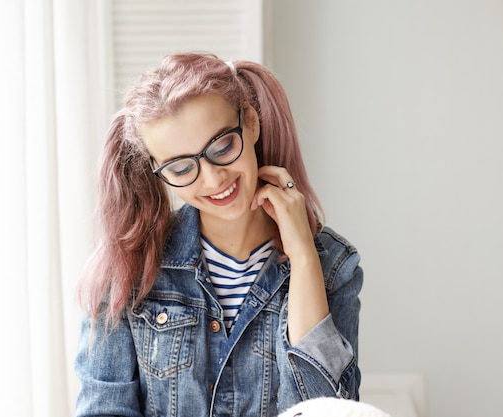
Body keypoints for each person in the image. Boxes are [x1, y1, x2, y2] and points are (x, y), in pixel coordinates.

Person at [74, 52, 363, 417]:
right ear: (157, 171)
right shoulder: (124, 268)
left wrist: (304, 258)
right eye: (181, 168)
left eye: (223, 146)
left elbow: (327, 412)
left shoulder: (335, 267)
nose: (213, 179)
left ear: (252, 122)